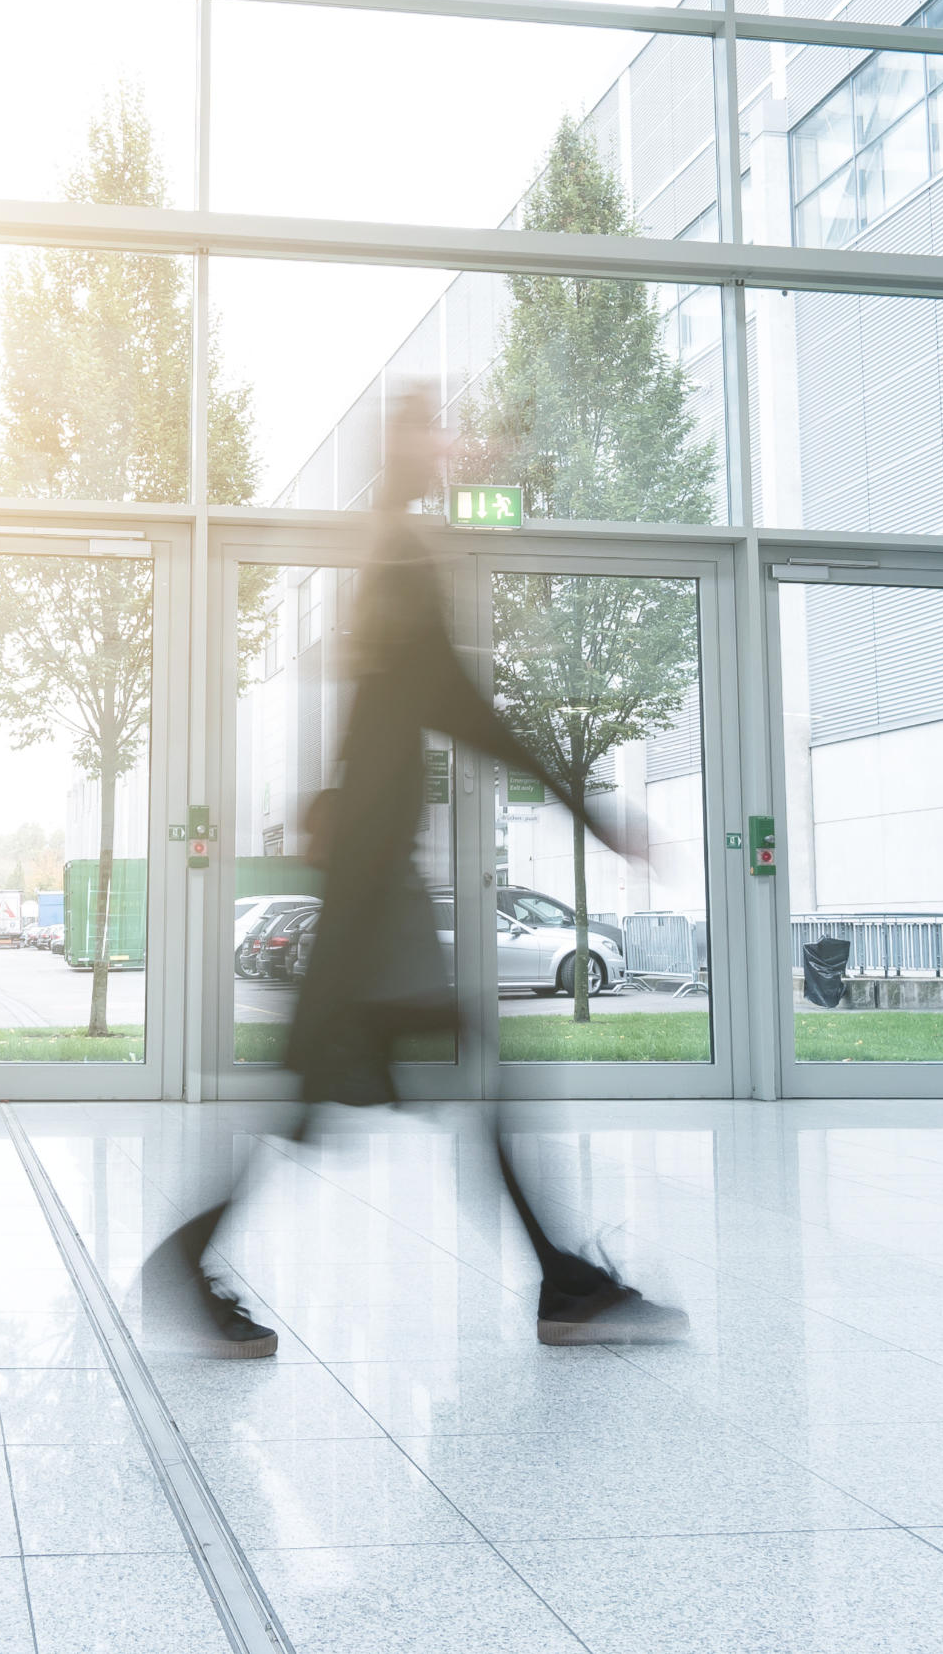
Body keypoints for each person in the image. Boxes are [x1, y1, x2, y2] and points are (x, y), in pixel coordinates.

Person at [142, 392, 687, 1355]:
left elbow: (396, 713)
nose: (453, 443)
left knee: (341, 1090)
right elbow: (462, 708)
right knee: (451, 1072)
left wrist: (333, 794)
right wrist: (592, 809)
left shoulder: (390, 556)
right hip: (369, 899)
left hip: (370, 888)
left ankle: (557, 1281)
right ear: (403, 446)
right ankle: (562, 1285)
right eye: (434, 427)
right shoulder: (399, 561)